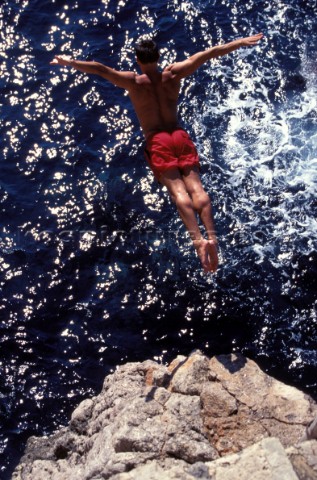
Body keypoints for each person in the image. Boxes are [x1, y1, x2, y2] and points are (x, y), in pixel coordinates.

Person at [51, 32, 263, 273]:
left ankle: (198, 242)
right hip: (179, 136)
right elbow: (210, 53)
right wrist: (240, 42)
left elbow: (100, 69)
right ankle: (212, 236)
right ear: (158, 56)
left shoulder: (134, 81)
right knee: (197, 189)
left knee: (178, 192)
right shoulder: (173, 74)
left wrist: (70, 62)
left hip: (158, 141)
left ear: (138, 60)